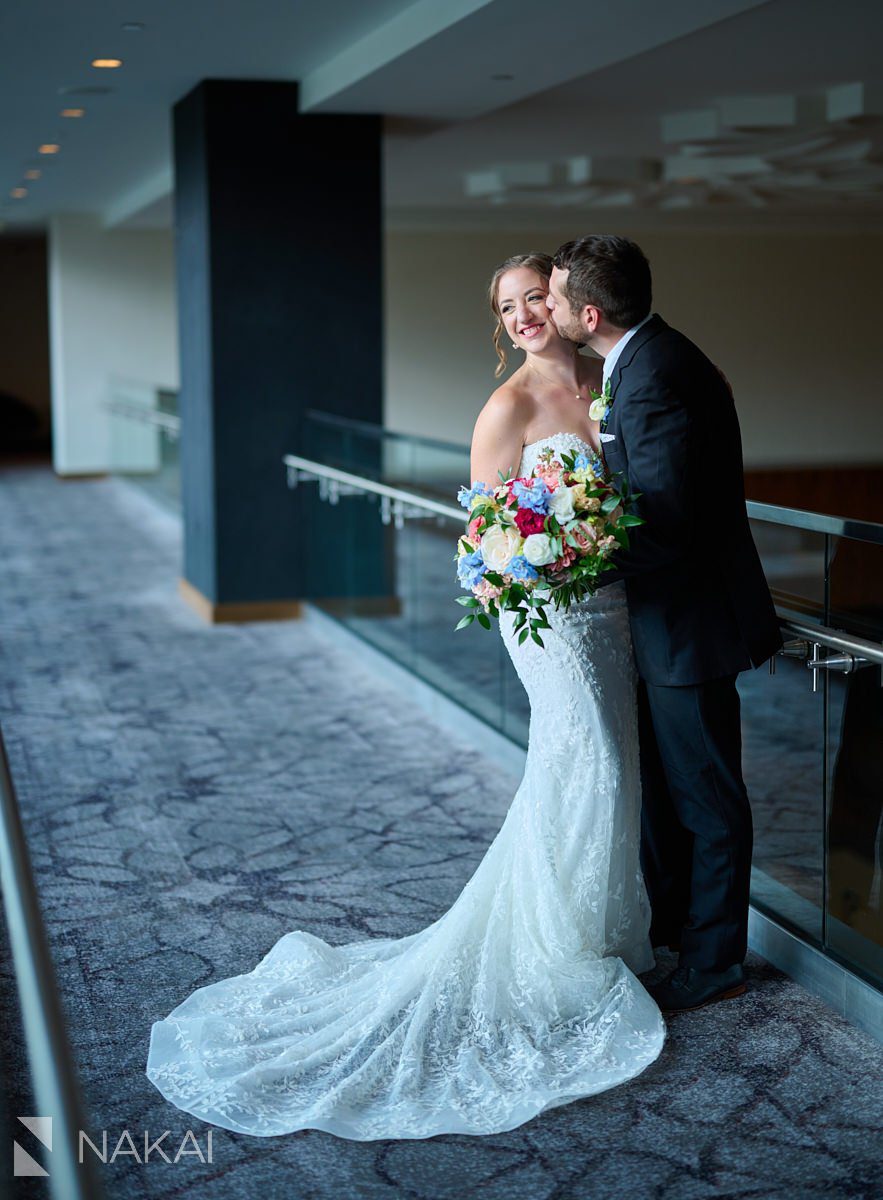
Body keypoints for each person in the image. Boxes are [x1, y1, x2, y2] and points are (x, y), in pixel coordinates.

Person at [146, 252, 665, 1141]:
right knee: (595, 763)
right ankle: (561, 953)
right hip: (550, 615)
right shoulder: (507, 408)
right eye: (507, 306)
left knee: (614, 767)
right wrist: (548, 560)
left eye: (535, 297)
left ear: (569, 301)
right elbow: (486, 536)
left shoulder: (610, 384)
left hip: (614, 608)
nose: (524, 315)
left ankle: (608, 935)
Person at [547, 235, 782, 1012]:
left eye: (552, 299)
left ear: (588, 312)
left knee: (708, 798)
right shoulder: (642, 360)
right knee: (669, 792)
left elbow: (668, 520)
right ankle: (683, 934)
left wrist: (571, 563)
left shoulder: (651, 377)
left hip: (689, 624)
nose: (544, 311)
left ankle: (715, 961)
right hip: (659, 620)